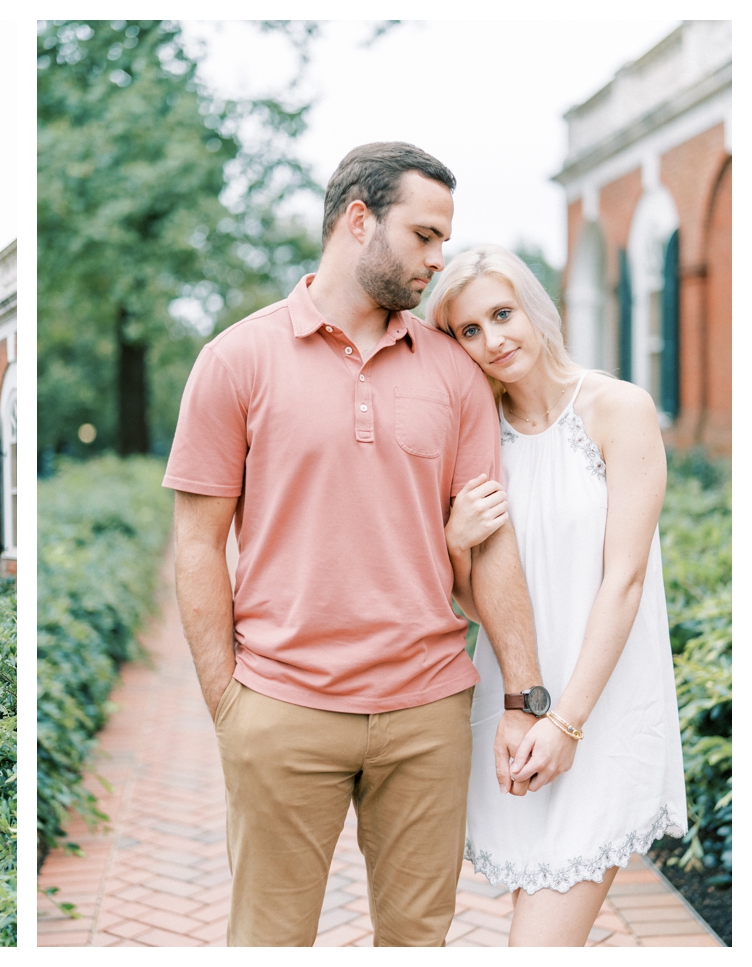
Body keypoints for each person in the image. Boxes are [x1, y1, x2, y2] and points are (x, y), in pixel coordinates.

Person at [165, 142, 549, 946]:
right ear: (359, 218)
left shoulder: (454, 372)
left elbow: (494, 544)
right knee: (268, 941)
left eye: (445, 239)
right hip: (282, 706)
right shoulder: (236, 359)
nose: (438, 260)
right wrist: (229, 705)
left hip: (427, 712)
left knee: (418, 941)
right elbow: (197, 544)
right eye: (424, 235)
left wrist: (522, 695)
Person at [427, 245, 687, 946]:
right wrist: (455, 541)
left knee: (535, 944)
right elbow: (479, 603)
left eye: (502, 313)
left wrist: (566, 723)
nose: (493, 340)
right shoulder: (476, 436)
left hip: (597, 709)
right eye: (468, 331)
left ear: (535, 307)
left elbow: (624, 581)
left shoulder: (619, 409)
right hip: (515, 706)